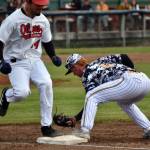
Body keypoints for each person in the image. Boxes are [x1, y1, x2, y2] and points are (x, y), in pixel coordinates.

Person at [0, 0, 63, 137]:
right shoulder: (12, 20)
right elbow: (0, 41)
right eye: (38, 5)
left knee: (46, 83)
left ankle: (46, 126)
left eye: (43, 5)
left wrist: (53, 56)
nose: (41, 7)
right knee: (22, 93)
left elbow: (47, 41)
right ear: (28, 2)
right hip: (16, 61)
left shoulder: (43, 20)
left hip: (35, 59)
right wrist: (1, 61)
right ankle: (6, 95)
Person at [65, 53, 150, 140]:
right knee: (124, 103)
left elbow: (91, 100)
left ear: (80, 63)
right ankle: (148, 128)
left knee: (91, 96)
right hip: (145, 81)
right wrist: (132, 71)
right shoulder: (100, 61)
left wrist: (76, 118)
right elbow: (124, 57)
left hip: (130, 81)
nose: (74, 73)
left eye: (73, 68)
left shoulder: (87, 76)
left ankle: (84, 131)